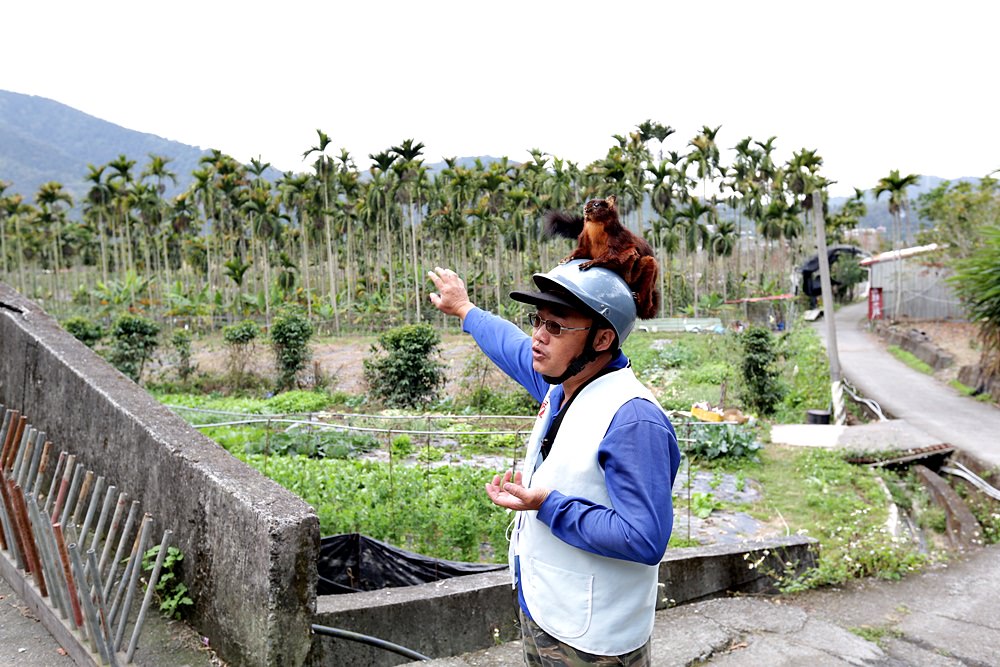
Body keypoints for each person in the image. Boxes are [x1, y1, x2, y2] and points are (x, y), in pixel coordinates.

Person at [428, 260, 680, 666]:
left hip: (594, 640)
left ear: (601, 339)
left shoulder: (634, 420)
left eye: (556, 327)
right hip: (547, 607)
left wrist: (547, 504)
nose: (537, 338)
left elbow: (645, 538)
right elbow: (509, 345)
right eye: (538, 321)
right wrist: (464, 309)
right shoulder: (565, 384)